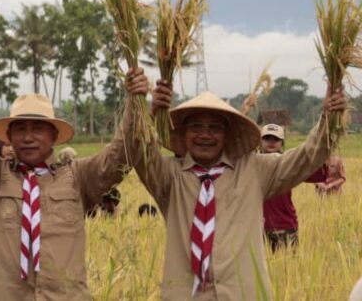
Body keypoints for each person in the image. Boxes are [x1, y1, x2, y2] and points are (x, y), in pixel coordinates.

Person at [128, 81, 344, 299]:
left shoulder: (256, 169)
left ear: (227, 134)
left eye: (215, 128)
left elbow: (306, 157)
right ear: (183, 133)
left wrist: (328, 117)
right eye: (196, 127)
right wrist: (148, 113)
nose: (205, 135)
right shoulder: (168, 176)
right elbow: (139, 151)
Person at [0, 66, 148, 300]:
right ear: (8, 137)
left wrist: (135, 102)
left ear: (54, 135)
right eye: (20, 129)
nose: (28, 137)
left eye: (38, 129)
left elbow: (121, 155)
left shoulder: (78, 176)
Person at [259, 123, 331, 250]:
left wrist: (326, 154)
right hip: (256, 230)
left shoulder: (289, 164)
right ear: (260, 142)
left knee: (287, 268)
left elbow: (319, 171)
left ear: (282, 143)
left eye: (276, 139)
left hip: (284, 228)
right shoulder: (252, 163)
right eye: (267, 138)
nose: (271, 142)